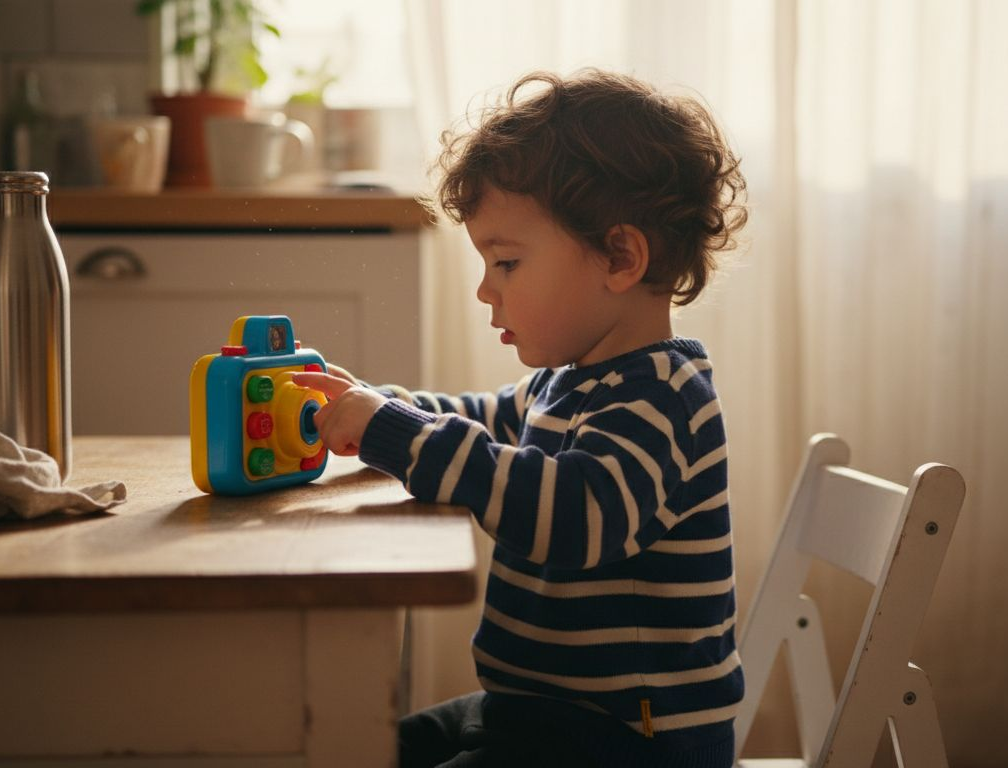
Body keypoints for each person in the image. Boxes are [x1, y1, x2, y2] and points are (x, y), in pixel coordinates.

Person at [293, 68, 748, 768]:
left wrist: (399, 434)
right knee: (361, 749)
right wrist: (381, 405)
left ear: (621, 257)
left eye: (506, 262)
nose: (485, 289)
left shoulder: (664, 395)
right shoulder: (568, 384)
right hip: (537, 714)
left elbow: (575, 513)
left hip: (629, 741)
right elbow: (486, 419)